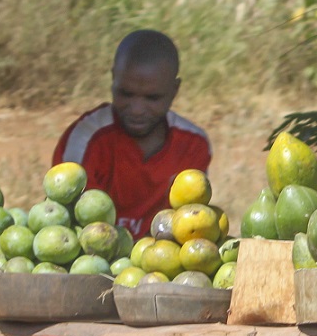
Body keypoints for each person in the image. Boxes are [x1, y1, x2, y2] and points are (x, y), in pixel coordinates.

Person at [52, 30, 212, 234]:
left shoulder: (193, 146)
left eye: (152, 98)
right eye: (126, 94)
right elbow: (70, 228)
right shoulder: (85, 139)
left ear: (174, 90)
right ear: (113, 79)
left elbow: (189, 226)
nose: (136, 109)